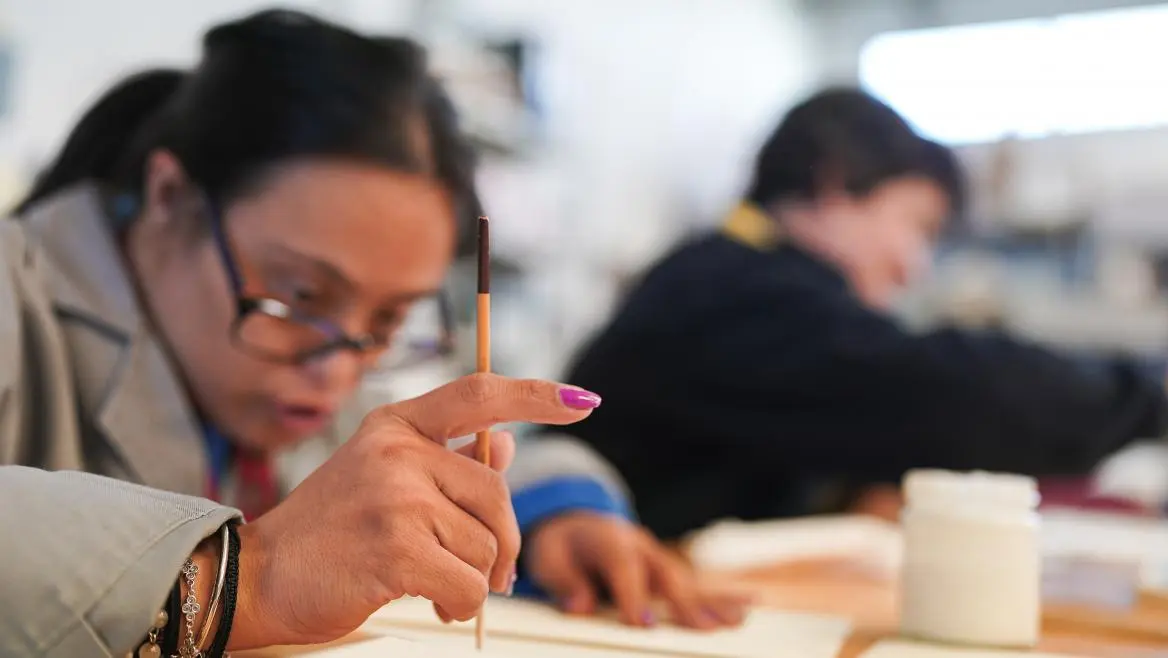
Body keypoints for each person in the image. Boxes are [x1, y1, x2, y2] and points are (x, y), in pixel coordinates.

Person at [0, 11, 744, 657]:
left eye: (389, 320)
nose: (340, 368)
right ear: (169, 198)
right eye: (300, 293)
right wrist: (250, 572)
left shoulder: (292, 370)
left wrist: (559, 513)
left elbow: (449, 465)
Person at [536, 87, 1168, 541]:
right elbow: (955, 395)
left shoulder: (720, 272)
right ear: (835, 185)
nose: (914, 266)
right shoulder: (734, 291)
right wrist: (1149, 395)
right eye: (917, 226)